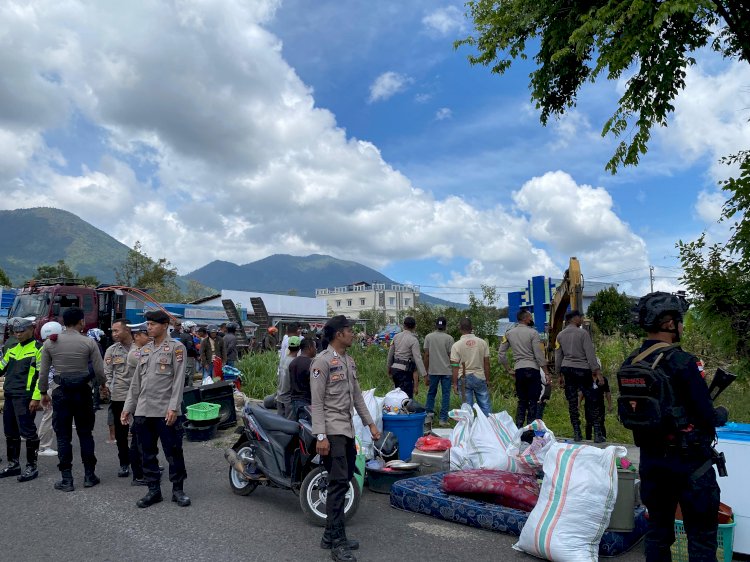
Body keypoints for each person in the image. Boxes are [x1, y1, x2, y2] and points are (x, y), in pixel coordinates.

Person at [621, 292, 728, 561]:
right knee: (701, 538)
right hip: (691, 465)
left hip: (652, 463)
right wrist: (720, 414)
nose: (681, 326)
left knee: (657, 534)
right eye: (680, 320)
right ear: (669, 323)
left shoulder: (631, 363)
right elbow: (705, 414)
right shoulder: (682, 362)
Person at [311, 315, 380, 562]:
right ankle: (338, 543)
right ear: (339, 334)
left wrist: (370, 423)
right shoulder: (322, 362)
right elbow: (316, 403)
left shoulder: (349, 361)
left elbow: (358, 397)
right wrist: (320, 435)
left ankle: (330, 534)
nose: (353, 334)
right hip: (332, 431)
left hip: (348, 430)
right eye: (350, 330)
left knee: (345, 478)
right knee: (338, 485)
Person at [121, 310, 190, 508]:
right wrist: (128, 407)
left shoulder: (176, 348)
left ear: (164, 325)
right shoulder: (145, 350)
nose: (148, 327)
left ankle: (178, 489)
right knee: (146, 452)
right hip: (143, 410)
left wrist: (173, 408)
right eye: (148, 324)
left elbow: (178, 381)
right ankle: (153, 490)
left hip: (164, 410)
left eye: (152, 324)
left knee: (173, 451)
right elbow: (136, 383)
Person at [39, 307, 106, 492]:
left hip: (61, 393)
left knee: (63, 437)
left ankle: (66, 479)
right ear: (81, 322)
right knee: (85, 434)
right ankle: (89, 476)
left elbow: (43, 372)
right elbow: (100, 371)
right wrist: (102, 385)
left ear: (63, 322)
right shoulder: (89, 342)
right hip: (83, 392)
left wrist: (43, 392)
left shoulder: (50, 343)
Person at [0, 317, 43, 482]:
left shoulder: (38, 349)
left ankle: (32, 466)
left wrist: (36, 397)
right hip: (10, 394)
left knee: (28, 432)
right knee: (10, 432)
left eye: (21, 331)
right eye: (15, 332)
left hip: (25, 397)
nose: (18, 335)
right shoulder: (12, 348)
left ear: (31, 330)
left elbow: (41, 376)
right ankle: (13, 464)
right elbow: (1, 367)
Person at [555, 310, 603, 442]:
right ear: (574, 318)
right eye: (581, 317)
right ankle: (597, 433)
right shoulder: (583, 333)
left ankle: (577, 433)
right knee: (592, 400)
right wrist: (597, 372)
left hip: (567, 370)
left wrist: (558, 374)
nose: (582, 319)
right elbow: (590, 354)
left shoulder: (560, 335)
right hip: (582, 369)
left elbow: (558, 356)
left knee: (572, 402)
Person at [499, 309, 549, 427]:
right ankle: (530, 430)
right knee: (533, 401)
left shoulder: (509, 333)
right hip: (533, 370)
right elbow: (538, 355)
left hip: (519, 371)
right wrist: (546, 372)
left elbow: (501, 354)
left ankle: (519, 429)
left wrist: (509, 369)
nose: (531, 319)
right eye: (530, 317)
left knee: (522, 401)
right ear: (525, 319)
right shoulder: (533, 333)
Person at [104, 319, 135, 478]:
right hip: (120, 396)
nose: (113, 334)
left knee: (144, 431)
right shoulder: (111, 350)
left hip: (140, 396)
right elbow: (107, 372)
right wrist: (109, 387)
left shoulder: (142, 347)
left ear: (127, 330)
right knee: (121, 433)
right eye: (112, 331)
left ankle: (146, 459)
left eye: (116, 330)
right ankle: (124, 462)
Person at [125, 322, 150, 486]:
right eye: (146, 334)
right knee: (139, 439)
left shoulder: (141, 351)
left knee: (143, 438)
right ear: (137, 336)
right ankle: (139, 474)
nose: (149, 338)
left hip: (142, 399)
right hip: (139, 399)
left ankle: (144, 468)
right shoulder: (136, 354)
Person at [450, 318, 491, 416]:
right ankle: (487, 427)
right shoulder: (482, 342)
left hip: (463, 378)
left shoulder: (456, 345)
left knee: (467, 408)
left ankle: (469, 428)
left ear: (459, 328)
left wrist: (454, 384)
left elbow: (455, 366)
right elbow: (486, 363)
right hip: (480, 376)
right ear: (472, 328)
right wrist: (488, 379)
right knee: (485, 404)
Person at [37, 321, 64, 457]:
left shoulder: (43, 347)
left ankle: (42, 444)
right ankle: (43, 446)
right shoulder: (52, 348)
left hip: (48, 385)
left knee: (49, 415)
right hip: (52, 386)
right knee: (49, 416)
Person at [423, 316, 454, 427]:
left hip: (433, 370)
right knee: (446, 395)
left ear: (435, 325)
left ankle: (428, 418)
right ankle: (443, 419)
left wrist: (425, 372)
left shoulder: (428, 337)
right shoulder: (449, 338)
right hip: (446, 371)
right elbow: (452, 356)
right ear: (445, 326)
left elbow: (426, 355)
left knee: (431, 393)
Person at [386, 316, 427, 398]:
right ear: (415, 326)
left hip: (395, 370)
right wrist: (424, 375)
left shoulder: (396, 337)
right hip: (405, 372)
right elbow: (417, 358)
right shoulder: (413, 340)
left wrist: (388, 368)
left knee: (396, 396)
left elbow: (390, 355)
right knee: (406, 398)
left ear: (403, 326)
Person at [287, 338, 316, 421]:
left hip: (293, 402)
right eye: (315, 347)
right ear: (310, 347)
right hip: (306, 403)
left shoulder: (293, 362)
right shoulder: (311, 364)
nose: (316, 350)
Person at [276, 335, 300, 418]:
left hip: (279, 395)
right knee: (288, 424)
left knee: (280, 422)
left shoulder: (283, 359)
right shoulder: (295, 362)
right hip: (288, 398)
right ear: (299, 348)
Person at [583, 375, 611, 441]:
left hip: (600, 404)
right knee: (589, 423)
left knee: (601, 422)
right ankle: (588, 440)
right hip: (588, 404)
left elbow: (607, 392)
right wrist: (578, 403)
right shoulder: (586, 378)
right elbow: (582, 392)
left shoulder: (603, 379)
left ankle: (603, 439)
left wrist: (610, 404)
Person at [171, 320, 198, 387]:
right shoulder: (188, 336)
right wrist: (197, 355)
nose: (192, 329)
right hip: (188, 357)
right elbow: (190, 348)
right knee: (189, 374)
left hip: (181, 357)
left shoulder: (181, 335)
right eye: (191, 327)